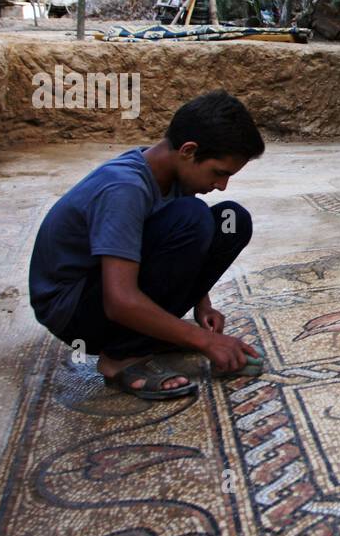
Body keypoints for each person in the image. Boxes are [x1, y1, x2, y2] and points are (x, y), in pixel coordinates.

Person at [28, 89, 264, 399]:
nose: (221, 185)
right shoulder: (124, 188)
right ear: (189, 151)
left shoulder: (171, 173)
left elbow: (180, 247)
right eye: (218, 173)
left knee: (232, 220)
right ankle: (121, 357)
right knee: (192, 217)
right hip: (72, 310)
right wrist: (203, 341)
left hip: (103, 294)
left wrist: (201, 304)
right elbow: (119, 300)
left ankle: (148, 335)